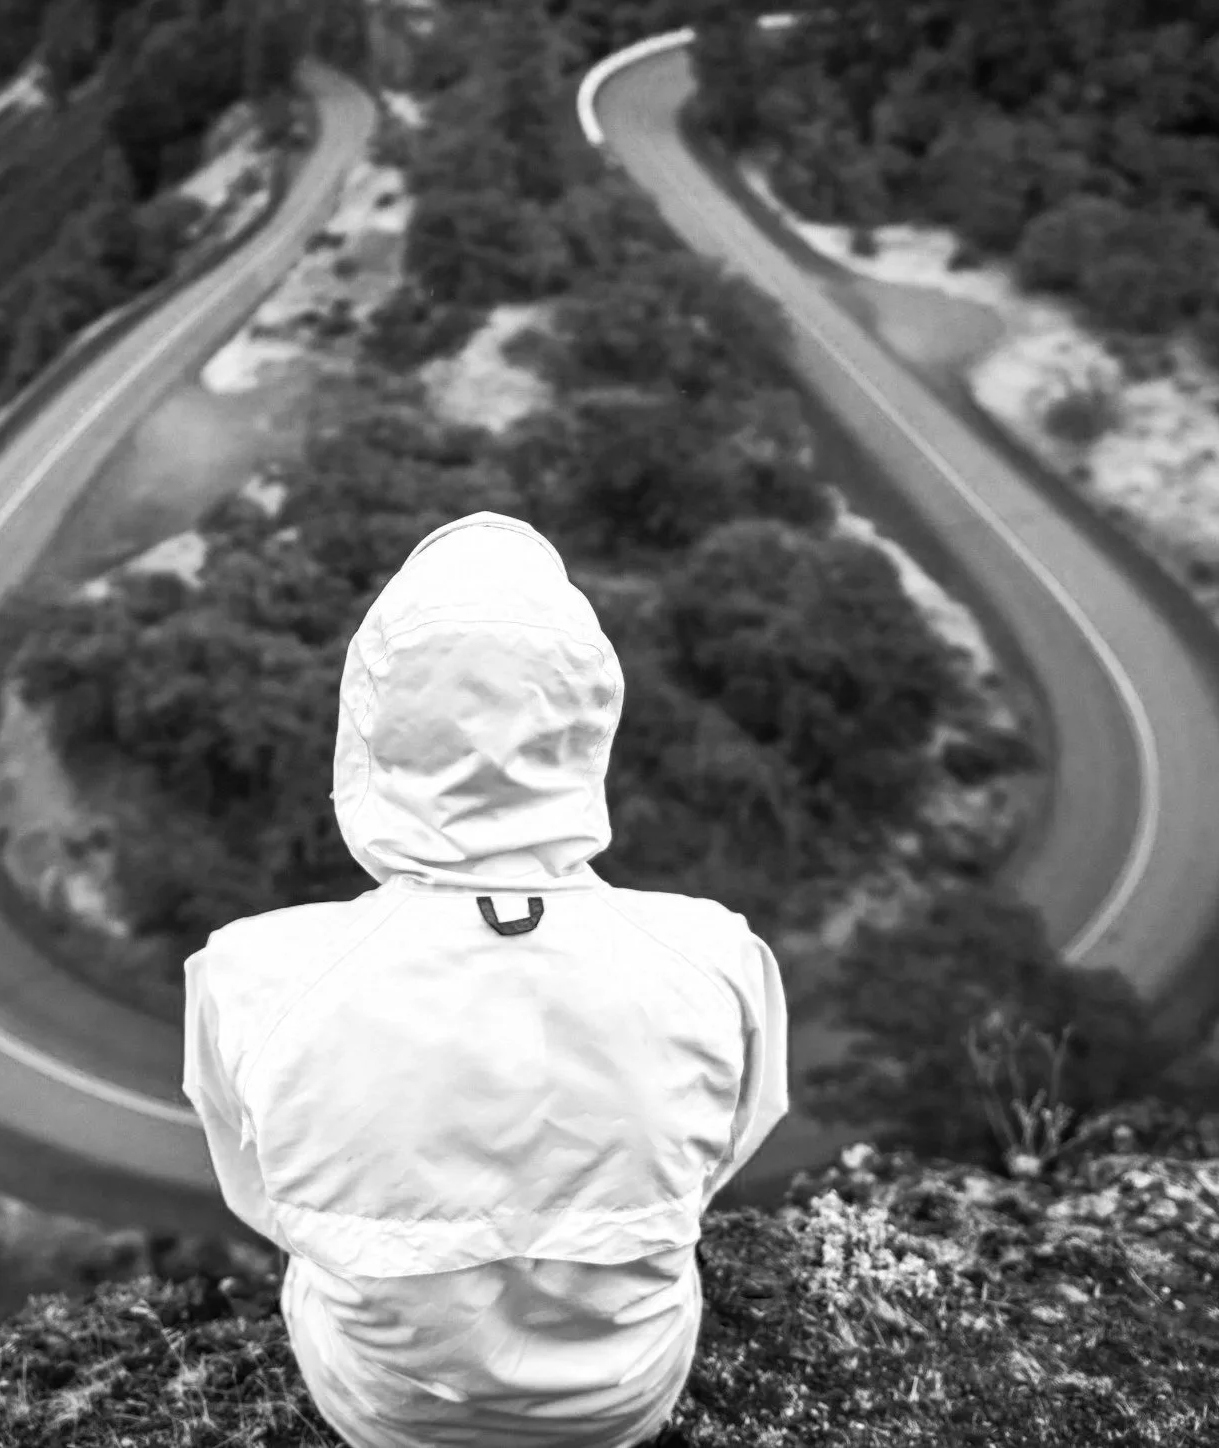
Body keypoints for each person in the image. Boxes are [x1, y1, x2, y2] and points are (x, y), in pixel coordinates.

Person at [182, 511, 790, 1448]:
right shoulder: (715, 957)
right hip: (625, 1400)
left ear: (369, 727)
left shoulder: (250, 972)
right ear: (588, 723)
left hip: (389, 1412)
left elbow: (262, 1195)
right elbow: (711, 1169)